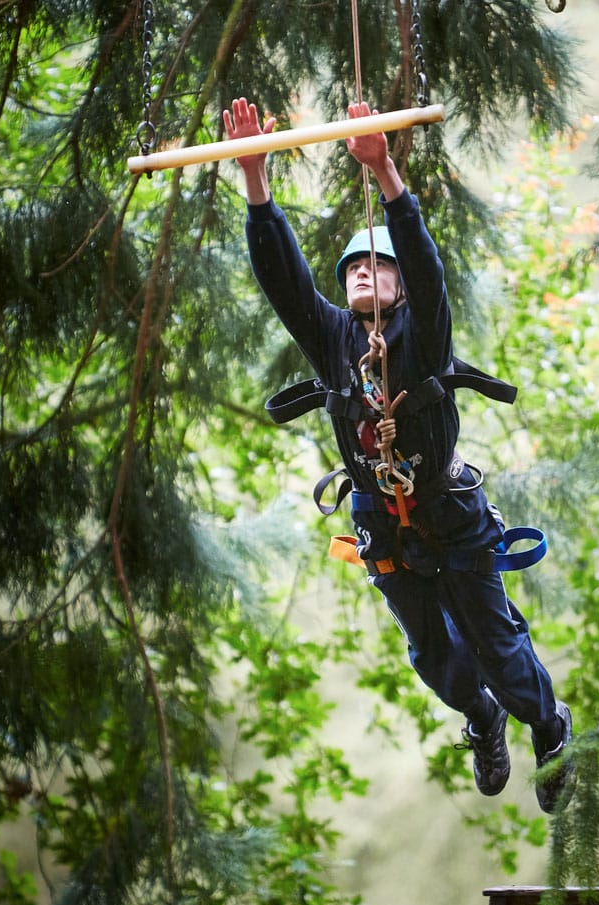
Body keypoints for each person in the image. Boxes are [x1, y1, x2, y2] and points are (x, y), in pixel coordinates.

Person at [224, 97, 573, 813]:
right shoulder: (333, 340)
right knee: (437, 662)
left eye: (375, 266)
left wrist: (384, 172)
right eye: (352, 267)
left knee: (501, 654)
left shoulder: (423, 335)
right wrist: (256, 181)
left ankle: (546, 722)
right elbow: (284, 281)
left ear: (400, 286)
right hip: (382, 523)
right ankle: (482, 720)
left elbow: (426, 264)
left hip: (449, 515)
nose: (359, 273)